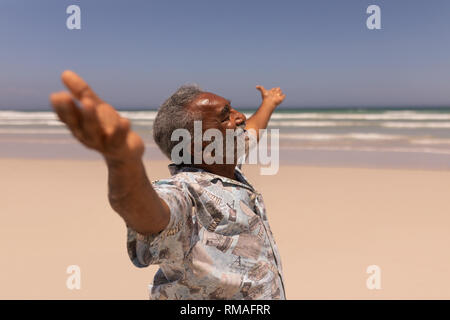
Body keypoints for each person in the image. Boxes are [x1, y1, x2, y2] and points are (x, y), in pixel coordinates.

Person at [50, 70, 287, 300]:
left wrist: (268, 103)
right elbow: (150, 215)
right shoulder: (187, 192)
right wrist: (123, 161)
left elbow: (253, 130)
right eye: (225, 116)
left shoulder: (225, 163)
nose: (240, 117)